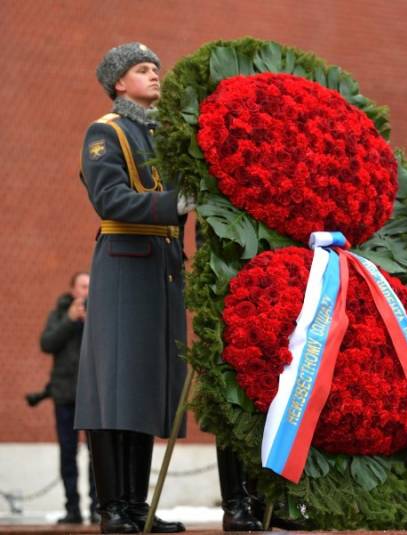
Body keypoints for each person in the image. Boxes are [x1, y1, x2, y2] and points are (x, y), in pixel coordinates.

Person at [75, 42, 195, 534]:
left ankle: (136, 506)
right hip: (125, 265)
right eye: (142, 70)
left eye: (155, 69)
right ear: (119, 83)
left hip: (161, 268)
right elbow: (110, 198)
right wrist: (174, 204)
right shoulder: (106, 133)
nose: (154, 76)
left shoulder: (164, 137)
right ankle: (113, 509)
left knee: (145, 388)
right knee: (115, 388)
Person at [38, 272, 98, 524]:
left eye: (89, 286)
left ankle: (98, 506)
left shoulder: (99, 314)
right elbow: (47, 343)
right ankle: (72, 508)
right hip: (65, 395)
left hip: (93, 396)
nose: (87, 290)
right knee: (68, 453)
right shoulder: (60, 314)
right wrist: (70, 320)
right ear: (73, 290)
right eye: (83, 286)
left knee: (97, 455)